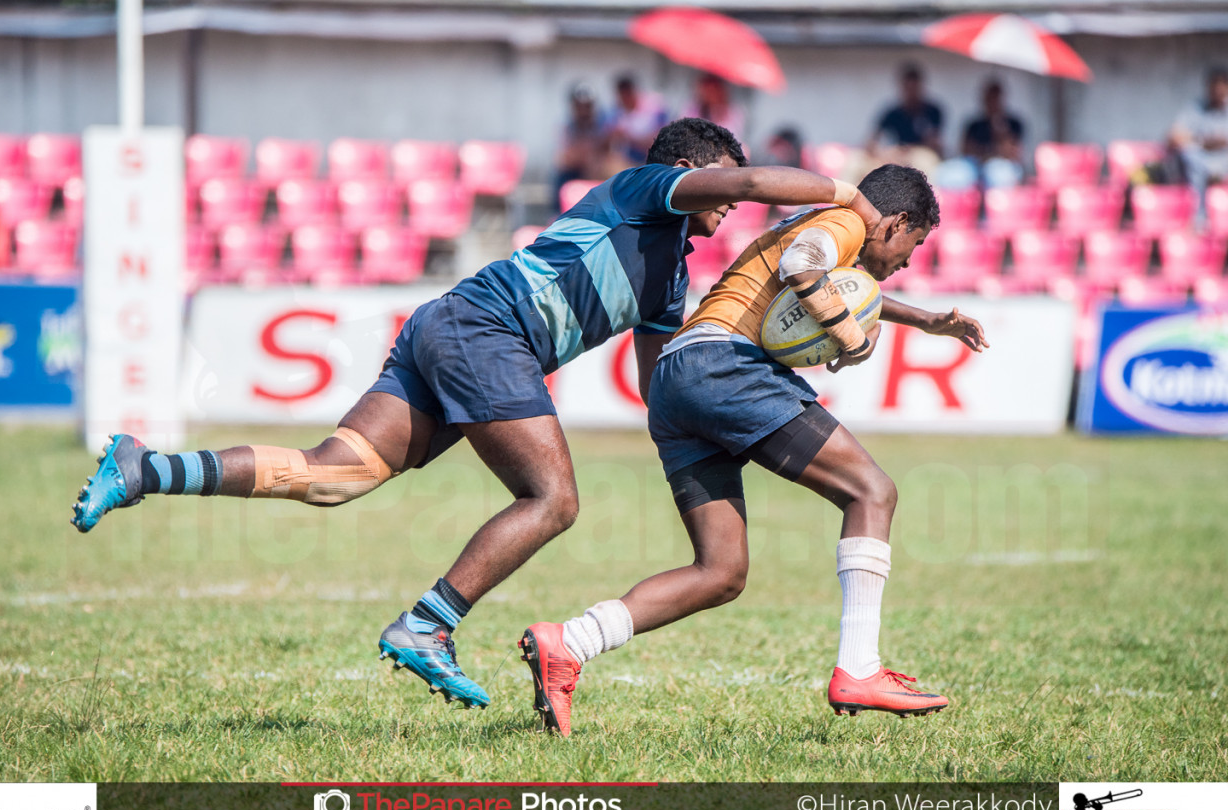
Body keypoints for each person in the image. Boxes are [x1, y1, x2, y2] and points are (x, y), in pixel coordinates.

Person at [71, 118, 884, 712]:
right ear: (689, 168)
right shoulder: (645, 190)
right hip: (489, 333)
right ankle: (429, 625)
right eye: (720, 189)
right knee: (554, 501)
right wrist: (844, 192)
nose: (729, 214)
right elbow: (746, 184)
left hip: (449, 325)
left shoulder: (672, 277)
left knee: (334, 475)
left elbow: (655, 378)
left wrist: (711, 412)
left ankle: (144, 469)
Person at [518, 164, 989, 736]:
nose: (907, 262)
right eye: (911, 247)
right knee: (872, 491)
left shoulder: (822, 226)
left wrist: (926, 321)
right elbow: (802, 269)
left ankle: (568, 642)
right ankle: (860, 669)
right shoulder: (844, 219)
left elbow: (842, 285)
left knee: (721, 572)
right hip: (724, 365)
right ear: (897, 222)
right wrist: (848, 336)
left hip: (677, 377)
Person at [1169, 66, 1228, 227]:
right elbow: (1174, 137)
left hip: (1224, 162)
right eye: (1213, 85)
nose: (1217, 89)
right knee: (1190, 155)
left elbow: (1223, 141)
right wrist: (1203, 141)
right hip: (1201, 163)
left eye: (1222, 85)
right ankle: (1199, 219)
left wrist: (1217, 142)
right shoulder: (1196, 108)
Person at [865, 64, 945, 175]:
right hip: (896, 154)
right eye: (907, 88)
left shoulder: (932, 111)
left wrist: (909, 150)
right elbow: (872, 142)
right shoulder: (893, 113)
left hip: (919, 154)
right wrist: (885, 152)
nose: (911, 93)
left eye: (914, 88)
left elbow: (935, 145)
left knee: (925, 161)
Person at [959, 79, 1025, 188]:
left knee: (999, 175)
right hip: (977, 167)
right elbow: (966, 151)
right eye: (989, 98)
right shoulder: (974, 124)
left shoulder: (1014, 124)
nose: (992, 102)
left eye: (995, 98)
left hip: (1002, 169)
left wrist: (1001, 132)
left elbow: (1014, 154)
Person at [553, 83, 609, 209]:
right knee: (561, 176)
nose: (583, 111)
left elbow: (607, 157)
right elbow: (564, 159)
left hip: (598, 175)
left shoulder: (602, 125)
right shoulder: (567, 127)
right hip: (574, 174)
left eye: (587, 106)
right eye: (580, 106)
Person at [604, 74, 669, 173]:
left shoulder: (654, 109)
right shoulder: (616, 113)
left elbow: (657, 142)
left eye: (627, 94)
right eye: (622, 95)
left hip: (652, 161)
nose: (625, 99)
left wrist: (628, 136)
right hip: (628, 162)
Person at [683, 74, 747, 142]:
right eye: (707, 90)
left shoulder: (732, 112)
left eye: (712, 90)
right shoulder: (695, 108)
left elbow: (732, 135)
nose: (709, 95)